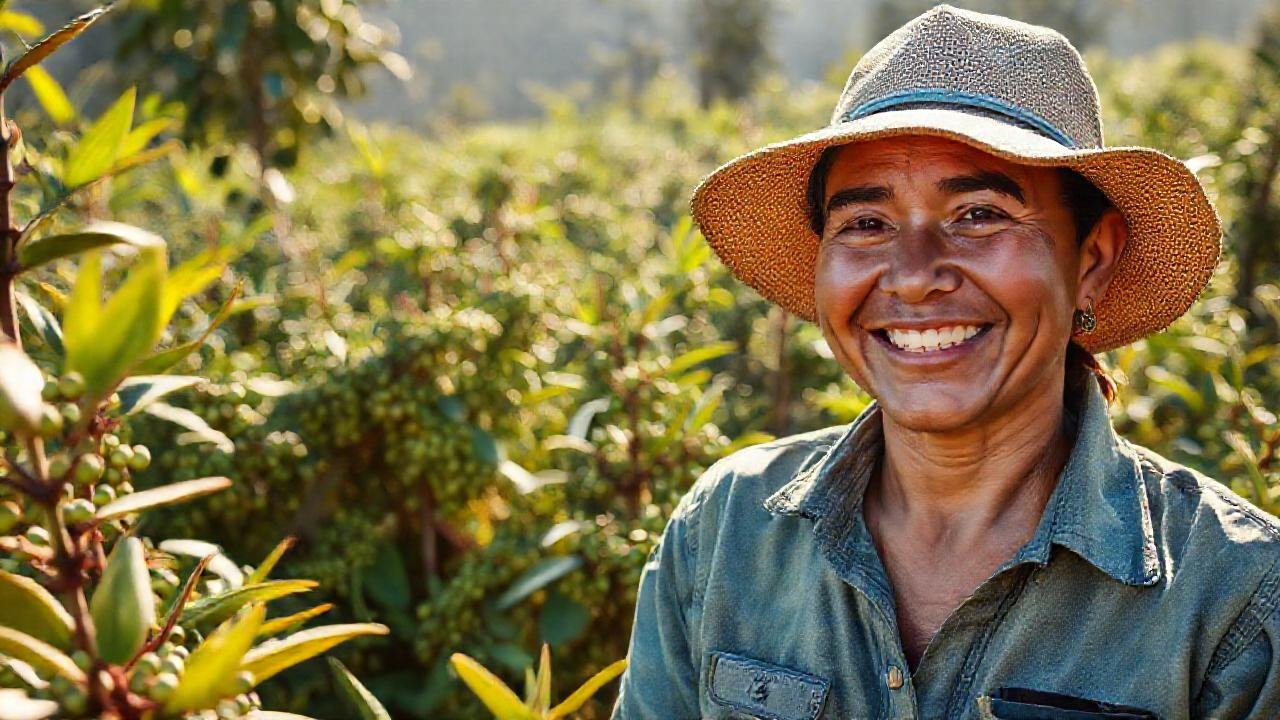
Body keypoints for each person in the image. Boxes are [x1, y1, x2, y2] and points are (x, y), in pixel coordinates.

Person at [610, 5, 1280, 719]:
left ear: (1091, 259)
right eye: (866, 225)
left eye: (979, 215)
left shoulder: (1233, 600)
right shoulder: (728, 530)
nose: (912, 275)